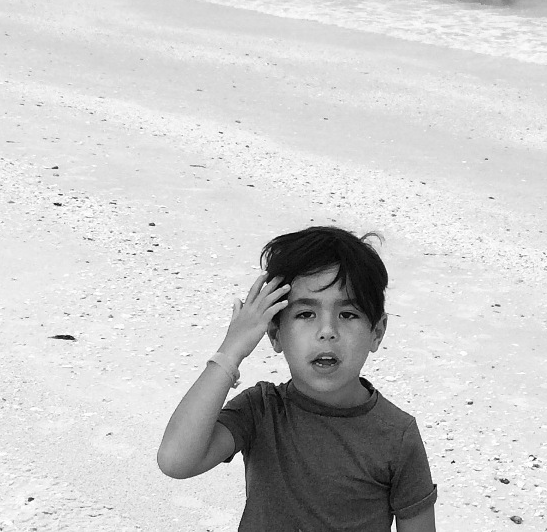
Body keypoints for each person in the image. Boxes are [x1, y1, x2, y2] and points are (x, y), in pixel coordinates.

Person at [157, 226, 438, 531]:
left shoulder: (397, 435)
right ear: (275, 334)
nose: (327, 331)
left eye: (348, 314)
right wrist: (231, 350)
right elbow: (176, 460)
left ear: (377, 332)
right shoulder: (261, 410)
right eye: (305, 314)